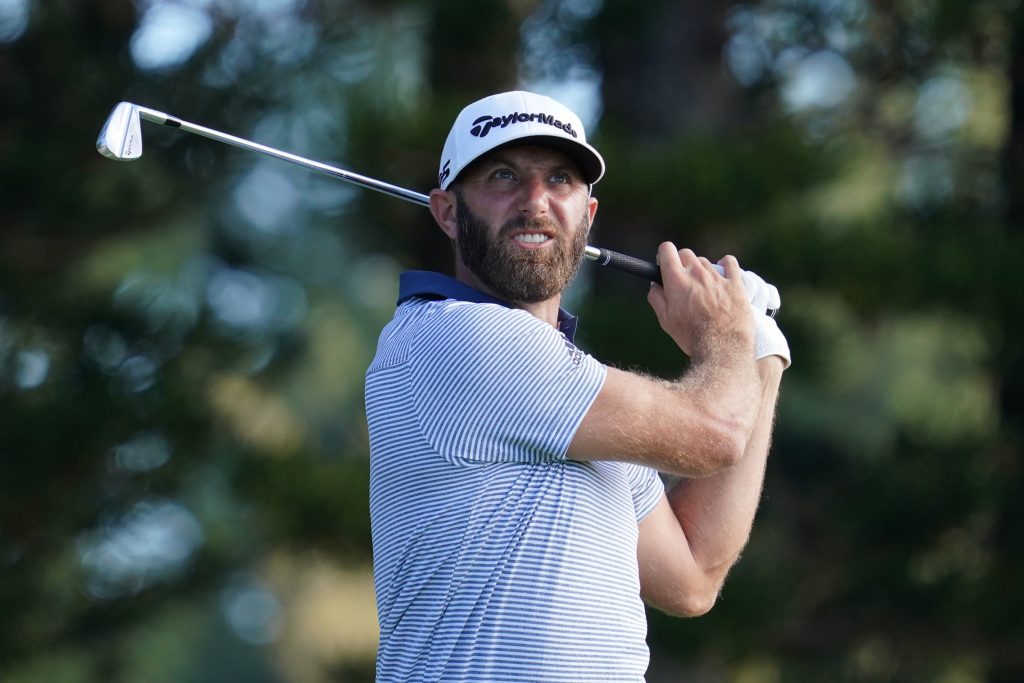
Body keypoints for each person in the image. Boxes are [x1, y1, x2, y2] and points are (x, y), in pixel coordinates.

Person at [364, 90, 790, 682]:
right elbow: (717, 432)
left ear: (588, 215)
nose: (535, 202)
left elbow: (692, 575)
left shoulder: (573, 393)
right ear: (448, 212)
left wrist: (760, 353)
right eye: (503, 176)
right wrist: (725, 337)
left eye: (560, 179)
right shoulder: (451, 337)